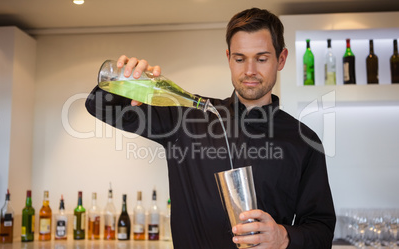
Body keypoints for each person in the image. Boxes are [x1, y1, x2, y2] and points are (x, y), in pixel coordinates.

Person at [86, 8, 336, 249]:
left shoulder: (303, 140)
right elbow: (102, 107)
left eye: (261, 59)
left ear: (281, 59)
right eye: (240, 59)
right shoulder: (187, 115)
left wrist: (283, 237)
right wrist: (121, 79)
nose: (249, 71)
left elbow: (322, 230)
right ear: (228, 58)